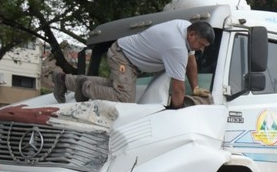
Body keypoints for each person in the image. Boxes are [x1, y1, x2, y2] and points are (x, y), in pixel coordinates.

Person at [52, 20, 214, 108]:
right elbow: (177, 88)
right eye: (201, 44)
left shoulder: (185, 28)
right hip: (123, 58)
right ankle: (84, 87)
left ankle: (63, 79)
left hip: (128, 58)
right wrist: (176, 110)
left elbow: (191, 60)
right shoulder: (176, 46)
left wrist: (195, 88)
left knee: (113, 86)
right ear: (192, 35)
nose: (200, 50)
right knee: (124, 99)